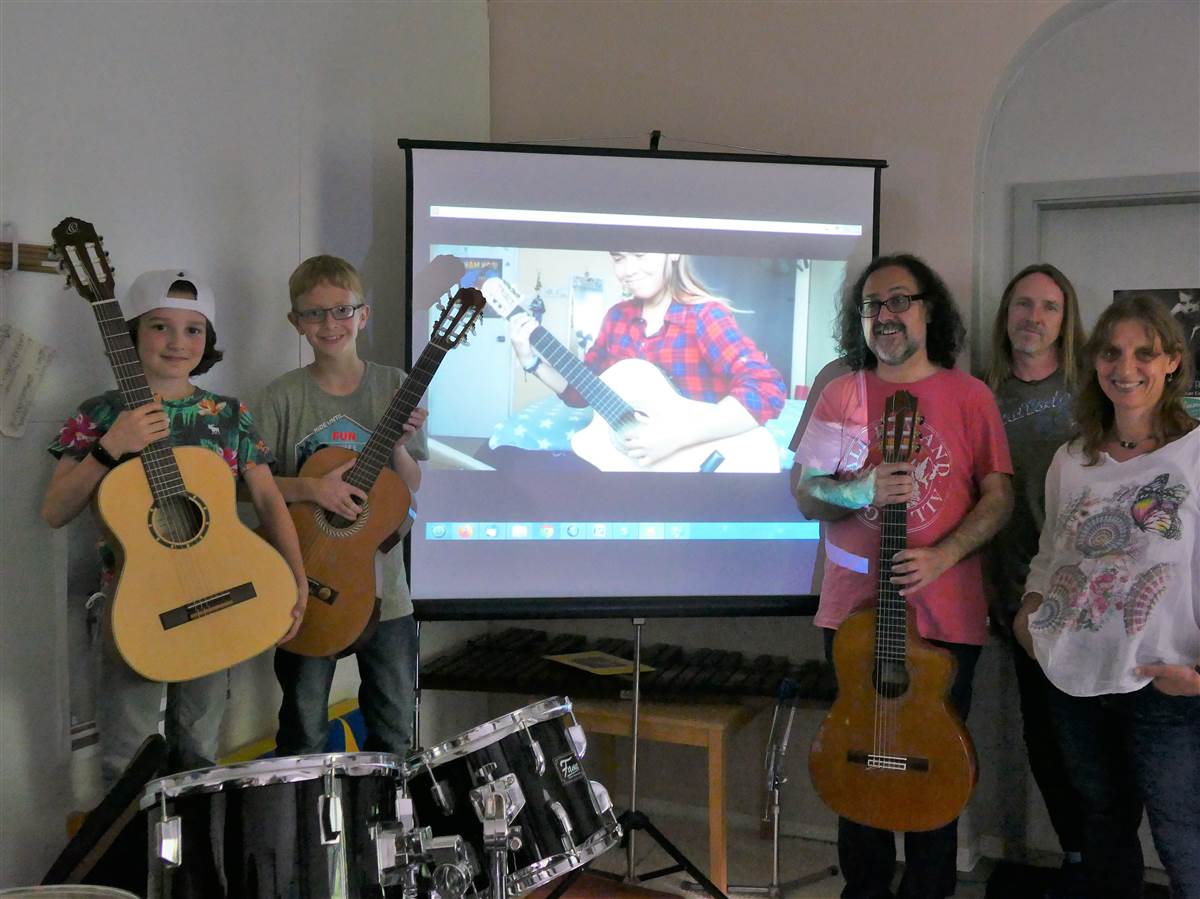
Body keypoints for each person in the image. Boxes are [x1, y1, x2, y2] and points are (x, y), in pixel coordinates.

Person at [794, 253, 1013, 899]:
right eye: (871, 305)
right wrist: (862, 483)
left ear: (929, 309)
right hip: (854, 614)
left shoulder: (970, 395)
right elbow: (807, 496)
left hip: (949, 617)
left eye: (898, 300)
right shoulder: (842, 392)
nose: (884, 315)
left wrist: (943, 555)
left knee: (934, 776)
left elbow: (997, 497)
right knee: (858, 766)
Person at [41, 270, 308, 787]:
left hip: (220, 594)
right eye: (161, 327)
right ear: (133, 333)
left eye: (193, 330)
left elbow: (271, 501)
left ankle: (195, 868)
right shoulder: (100, 413)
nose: (177, 342)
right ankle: (130, 868)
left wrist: (295, 577)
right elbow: (54, 510)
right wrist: (109, 446)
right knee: (127, 760)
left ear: (207, 340)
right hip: (133, 605)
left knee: (201, 754)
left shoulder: (228, 416)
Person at [1015, 295, 1199, 899]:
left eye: (1145, 352)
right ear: (1095, 362)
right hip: (1076, 680)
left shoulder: (1196, 454)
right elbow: (1051, 552)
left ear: (1172, 361)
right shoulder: (1072, 459)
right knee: (1102, 830)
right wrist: (1031, 617)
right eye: (1113, 352)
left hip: (1165, 683)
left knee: (1183, 836)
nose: (1127, 367)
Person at [254, 255, 428, 758]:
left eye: (341, 311)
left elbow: (411, 485)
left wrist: (396, 445)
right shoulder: (281, 397)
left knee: (396, 732)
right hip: (307, 583)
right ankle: (304, 833)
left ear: (363, 315)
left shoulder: (393, 384)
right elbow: (246, 486)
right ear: (296, 322)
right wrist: (312, 491)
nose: (329, 324)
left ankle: (391, 832)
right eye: (314, 314)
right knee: (304, 728)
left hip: (387, 593)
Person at [984, 264, 1087, 895]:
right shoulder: (981, 393)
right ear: (1006, 316)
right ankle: (1077, 858)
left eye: (1048, 306)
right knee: (1042, 735)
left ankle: (1101, 864)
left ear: (1064, 319)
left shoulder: (1090, 393)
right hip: (1011, 597)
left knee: (1088, 740)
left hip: (1081, 598)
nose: (1034, 317)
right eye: (1023, 304)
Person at [507, 252, 786, 467]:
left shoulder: (704, 315)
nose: (627, 270)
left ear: (673, 252)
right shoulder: (617, 317)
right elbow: (584, 391)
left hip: (702, 469)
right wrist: (531, 361)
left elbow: (766, 390)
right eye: (619, 258)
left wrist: (674, 438)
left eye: (639, 255)